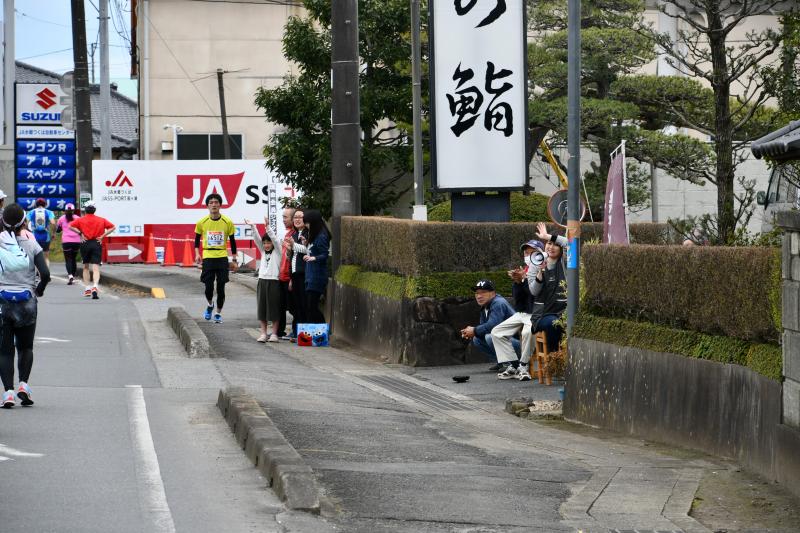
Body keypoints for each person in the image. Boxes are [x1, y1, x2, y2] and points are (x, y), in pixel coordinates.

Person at [0, 204, 51, 408]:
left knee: (4, 351)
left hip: (2, 302)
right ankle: (23, 385)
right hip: (27, 301)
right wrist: (39, 290)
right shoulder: (32, 244)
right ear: (24, 222)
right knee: (25, 347)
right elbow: (45, 274)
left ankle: (8, 394)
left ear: (3, 221)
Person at [491, 239, 545, 379]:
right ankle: (514, 365)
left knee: (528, 331)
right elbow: (519, 301)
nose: (527, 255)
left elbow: (536, 295)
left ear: (540, 254)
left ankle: (523, 365)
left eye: (531, 252)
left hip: (537, 312)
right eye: (526, 253)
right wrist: (517, 282)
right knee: (496, 332)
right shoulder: (525, 270)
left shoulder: (544, 269)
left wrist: (525, 279)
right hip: (523, 312)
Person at [194, 193, 237, 323]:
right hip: (208, 256)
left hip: (222, 256)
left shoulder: (227, 221)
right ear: (207, 205)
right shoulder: (202, 222)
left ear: (220, 205)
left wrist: (234, 259)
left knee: (221, 287)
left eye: (216, 202)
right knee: (208, 288)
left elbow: (233, 241)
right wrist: (197, 254)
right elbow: (196, 240)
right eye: (211, 202)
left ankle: (218, 313)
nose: (214, 204)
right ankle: (210, 304)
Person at [460, 279, 519, 371]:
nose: (479, 296)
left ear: (493, 293)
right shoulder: (486, 306)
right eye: (477, 293)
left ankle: (512, 363)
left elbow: (492, 326)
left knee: (490, 336)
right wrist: (470, 332)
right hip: (508, 341)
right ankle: (502, 362)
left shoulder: (498, 303)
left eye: (483, 292)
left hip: (522, 345)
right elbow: (484, 328)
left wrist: (474, 330)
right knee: (477, 339)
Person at [69, 200, 116, 299]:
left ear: (85, 210)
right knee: (96, 267)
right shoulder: (101, 220)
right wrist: (103, 236)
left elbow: (70, 226)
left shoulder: (81, 220)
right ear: (95, 210)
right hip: (97, 243)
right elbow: (112, 227)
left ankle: (87, 289)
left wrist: (80, 233)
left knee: (86, 267)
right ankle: (95, 286)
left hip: (85, 243)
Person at [246, 216, 283, 342]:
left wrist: (267, 227)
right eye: (265, 243)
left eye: (269, 243)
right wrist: (253, 226)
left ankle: (274, 334)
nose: (266, 245)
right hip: (262, 281)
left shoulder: (278, 251)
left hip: (274, 282)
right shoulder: (263, 251)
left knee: (274, 308)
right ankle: (263, 333)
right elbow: (257, 239)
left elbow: (276, 240)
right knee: (262, 308)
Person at [300, 209, 329, 324]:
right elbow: (312, 251)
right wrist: (305, 244)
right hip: (310, 275)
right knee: (309, 307)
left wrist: (314, 258)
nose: (306, 226)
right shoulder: (315, 235)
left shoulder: (321, 236)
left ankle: (322, 331)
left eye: (307, 223)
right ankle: (318, 333)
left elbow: (325, 254)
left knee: (312, 307)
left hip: (317, 276)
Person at [285, 208, 307, 341]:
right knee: (296, 304)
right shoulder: (293, 235)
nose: (297, 220)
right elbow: (292, 257)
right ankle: (296, 332)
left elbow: (308, 250)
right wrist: (288, 251)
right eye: (295, 217)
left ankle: (303, 334)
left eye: (300, 217)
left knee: (304, 304)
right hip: (294, 274)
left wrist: (293, 245)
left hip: (304, 273)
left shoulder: (308, 233)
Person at [276, 207, 295, 339]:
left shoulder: (295, 235)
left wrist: (292, 278)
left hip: (290, 276)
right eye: (282, 217)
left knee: (294, 307)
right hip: (282, 275)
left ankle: (295, 331)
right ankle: (279, 331)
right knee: (280, 306)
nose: (283, 220)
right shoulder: (287, 234)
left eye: (285, 217)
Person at [56, 203, 81, 285]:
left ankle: (70, 276)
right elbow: (81, 228)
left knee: (68, 259)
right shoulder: (78, 218)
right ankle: (73, 276)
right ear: (73, 210)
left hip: (66, 241)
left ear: (65, 211)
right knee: (73, 259)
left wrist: (61, 228)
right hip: (76, 241)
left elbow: (58, 230)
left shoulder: (61, 219)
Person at [26, 198, 55, 267]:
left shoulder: (31, 212)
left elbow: (26, 223)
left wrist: (28, 232)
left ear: (36, 204)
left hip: (34, 237)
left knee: (35, 256)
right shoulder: (49, 212)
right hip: (46, 237)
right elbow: (53, 223)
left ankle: (37, 273)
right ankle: (47, 274)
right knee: (46, 257)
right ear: (45, 204)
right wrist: (53, 233)